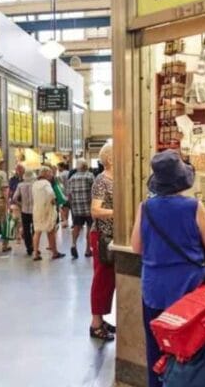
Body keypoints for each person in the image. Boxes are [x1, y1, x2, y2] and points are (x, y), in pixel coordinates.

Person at [130, 149, 205, 387]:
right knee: (189, 351)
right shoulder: (193, 206)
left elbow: (136, 247)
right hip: (187, 292)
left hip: (154, 291)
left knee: (156, 349)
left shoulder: (145, 207)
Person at [89, 143, 116, 342]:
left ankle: (102, 318)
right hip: (102, 236)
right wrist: (118, 211)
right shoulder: (101, 181)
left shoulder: (115, 180)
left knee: (109, 281)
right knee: (101, 279)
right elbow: (95, 210)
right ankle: (96, 323)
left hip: (112, 236)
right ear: (111, 159)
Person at [32, 166, 65, 261]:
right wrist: (56, 202)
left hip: (37, 209)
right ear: (46, 174)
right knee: (50, 231)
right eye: (50, 173)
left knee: (37, 231)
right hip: (47, 210)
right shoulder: (46, 183)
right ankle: (55, 252)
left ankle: (35, 253)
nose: (52, 175)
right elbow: (51, 195)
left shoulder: (35, 184)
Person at [68, 159, 95, 259]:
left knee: (76, 227)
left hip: (77, 208)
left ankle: (73, 244)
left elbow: (69, 195)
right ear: (86, 166)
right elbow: (94, 192)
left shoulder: (72, 178)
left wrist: (72, 205)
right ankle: (88, 250)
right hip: (89, 207)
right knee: (89, 227)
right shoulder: (90, 176)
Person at [12, 170, 35, 256]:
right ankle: (34, 245)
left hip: (24, 210)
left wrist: (20, 204)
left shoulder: (20, 185)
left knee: (26, 229)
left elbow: (14, 198)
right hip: (34, 210)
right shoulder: (35, 184)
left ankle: (29, 247)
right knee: (35, 230)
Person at [8, 164, 25, 244]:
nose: (20, 172)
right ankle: (18, 236)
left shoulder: (26, 179)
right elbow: (10, 192)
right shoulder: (12, 180)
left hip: (25, 203)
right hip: (15, 202)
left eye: (21, 170)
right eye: (19, 170)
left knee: (23, 220)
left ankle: (22, 234)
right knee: (17, 220)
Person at [58, 162, 71, 228]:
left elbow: (60, 185)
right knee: (67, 207)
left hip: (63, 193)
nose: (58, 168)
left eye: (58, 167)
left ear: (62, 167)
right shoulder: (69, 172)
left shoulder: (61, 174)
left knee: (63, 207)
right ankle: (66, 220)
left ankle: (64, 222)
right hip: (69, 192)